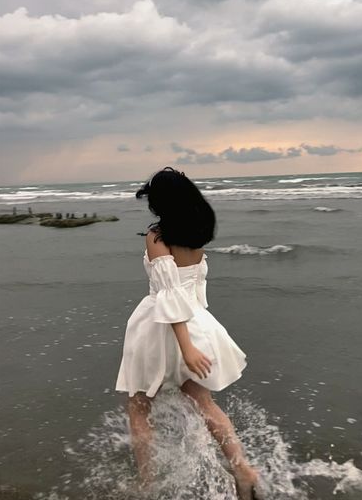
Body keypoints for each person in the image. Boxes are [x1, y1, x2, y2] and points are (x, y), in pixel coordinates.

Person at [115, 167, 262, 499]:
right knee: (203, 402)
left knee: (139, 406)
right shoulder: (196, 237)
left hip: (161, 327)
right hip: (196, 322)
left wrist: (185, 347)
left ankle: (147, 484)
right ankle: (243, 469)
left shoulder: (158, 237)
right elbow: (193, 292)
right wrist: (195, 339)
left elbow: (169, 296)